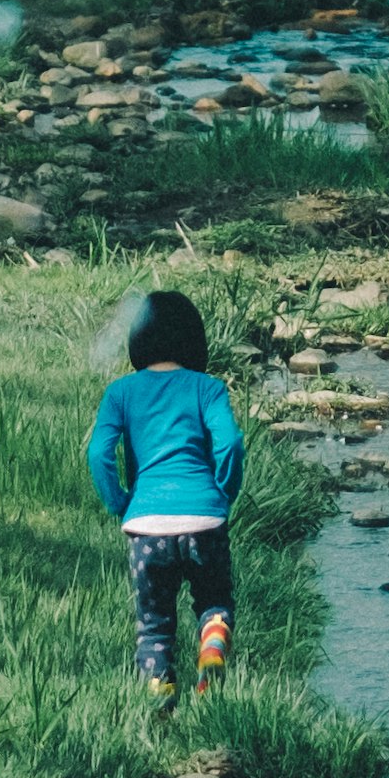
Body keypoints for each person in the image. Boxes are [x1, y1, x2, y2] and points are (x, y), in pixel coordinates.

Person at [87, 287, 244, 705]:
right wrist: (221, 492)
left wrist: (120, 502)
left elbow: (98, 453)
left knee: (154, 625)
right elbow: (230, 444)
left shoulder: (120, 392)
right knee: (214, 602)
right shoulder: (207, 388)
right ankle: (211, 643)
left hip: (146, 528)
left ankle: (161, 696)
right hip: (205, 520)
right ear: (195, 341)